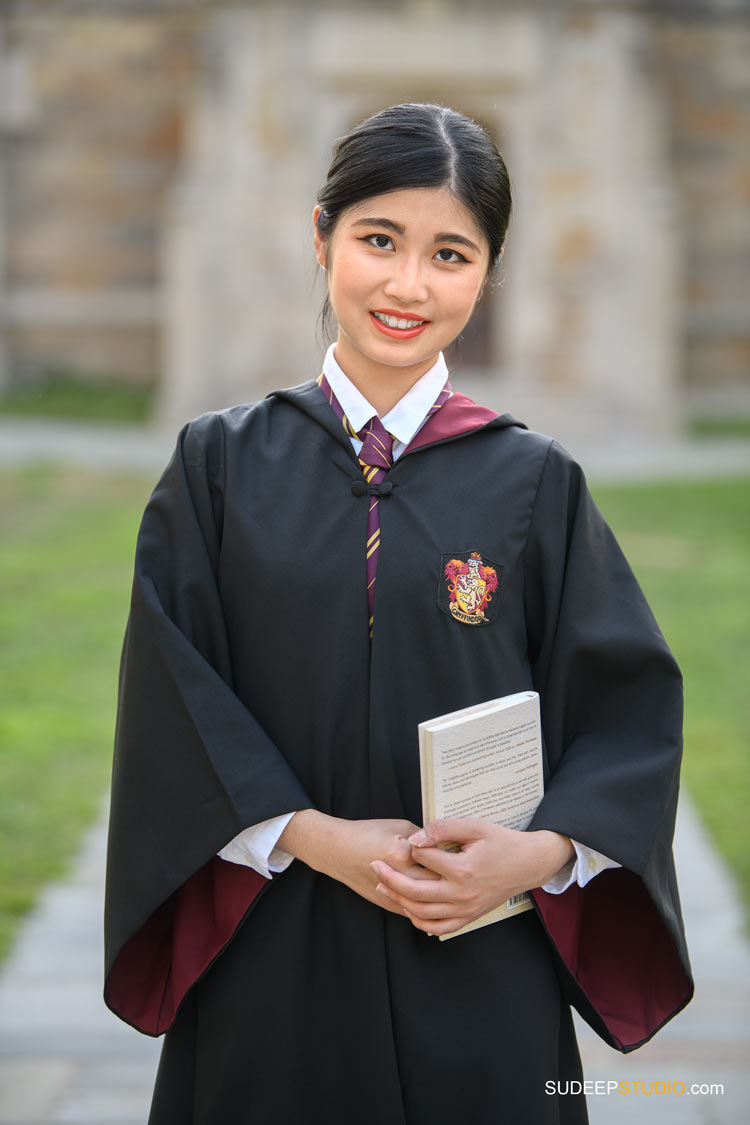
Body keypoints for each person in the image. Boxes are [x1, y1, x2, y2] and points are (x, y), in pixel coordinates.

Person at [104, 103, 692, 1124]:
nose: (409, 285)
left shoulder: (533, 482)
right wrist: (315, 837)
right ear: (321, 235)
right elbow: (176, 698)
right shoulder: (220, 466)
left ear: (487, 275)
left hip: (477, 939)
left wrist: (544, 851)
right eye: (379, 239)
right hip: (275, 937)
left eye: (451, 254)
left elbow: (626, 714)